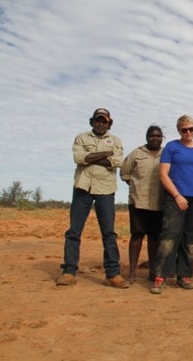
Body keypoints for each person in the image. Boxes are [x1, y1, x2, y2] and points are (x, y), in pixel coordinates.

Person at [56, 107, 128, 288]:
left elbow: (118, 162)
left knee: (109, 233)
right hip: (83, 188)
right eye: (98, 120)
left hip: (106, 190)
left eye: (104, 121)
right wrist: (106, 154)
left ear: (109, 123)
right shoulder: (82, 138)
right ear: (92, 121)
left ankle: (113, 274)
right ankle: (69, 271)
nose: (101, 123)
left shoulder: (116, 140)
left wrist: (91, 157)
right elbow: (79, 158)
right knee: (74, 232)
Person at [150, 115, 193, 294]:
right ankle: (160, 276)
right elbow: (163, 174)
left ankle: (184, 275)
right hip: (176, 198)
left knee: (191, 238)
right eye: (184, 129)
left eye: (191, 129)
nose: (188, 132)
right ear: (179, 130)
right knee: (169, 237)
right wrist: (177, 196)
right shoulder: (172, 147)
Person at [120, 125, 164, 284]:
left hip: (159, 203)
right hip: (138, 202)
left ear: (162, 138)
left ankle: (153, 272)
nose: (155, 138)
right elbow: (124, 173)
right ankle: (132, 272)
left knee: (154, 237)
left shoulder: (166, 153)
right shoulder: (136, 153)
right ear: (147, 137)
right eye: (152, 135)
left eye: (158, 136)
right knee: (137, 235)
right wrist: (137, 188)